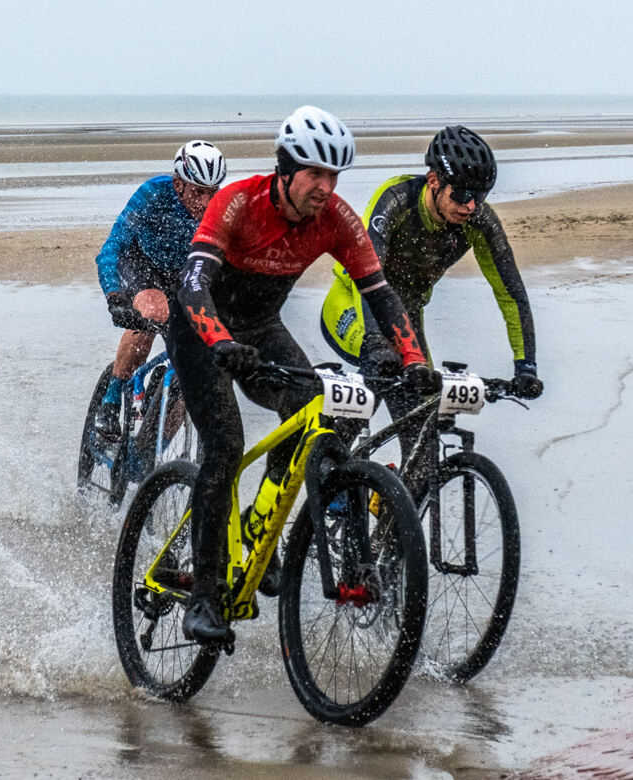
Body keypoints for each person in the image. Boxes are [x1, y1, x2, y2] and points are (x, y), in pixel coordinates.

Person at [167, 106, 438, 645]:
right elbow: (194, 285)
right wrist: (220, 341)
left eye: (334, 176)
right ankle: (202, 598)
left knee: (318, 412)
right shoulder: (238, 202)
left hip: (261, 327)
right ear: (285, 170)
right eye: (315, 173)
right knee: (225, 445)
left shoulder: (336, 218)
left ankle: (258, 528)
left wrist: (414, 361)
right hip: (202, 330)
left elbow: (381, 296)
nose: (325, 187)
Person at [320, 125, 543, 463]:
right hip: (354, 301)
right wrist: (378, 342)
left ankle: (397, 504)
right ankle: (329, 466)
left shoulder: (479, 221)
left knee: (422, 431)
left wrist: (525, 366)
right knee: (386, 369)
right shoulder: (396, 199)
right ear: (434, 180)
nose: (470, 206)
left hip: (407, 314)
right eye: (463, 195)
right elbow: (367, 274)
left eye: (479, 196)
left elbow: (510, 294)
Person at [92, 140, 227, 436]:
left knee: (193, 376)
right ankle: (112, 402)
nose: (206, 202)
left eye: (212, 193)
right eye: (198, 192)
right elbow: (112, 247)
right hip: (142, 263)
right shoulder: (154, 193)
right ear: (179, 184)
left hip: (184, 273)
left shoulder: (219, 207)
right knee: (155, 313)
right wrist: (114, 297)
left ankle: (151, 452)